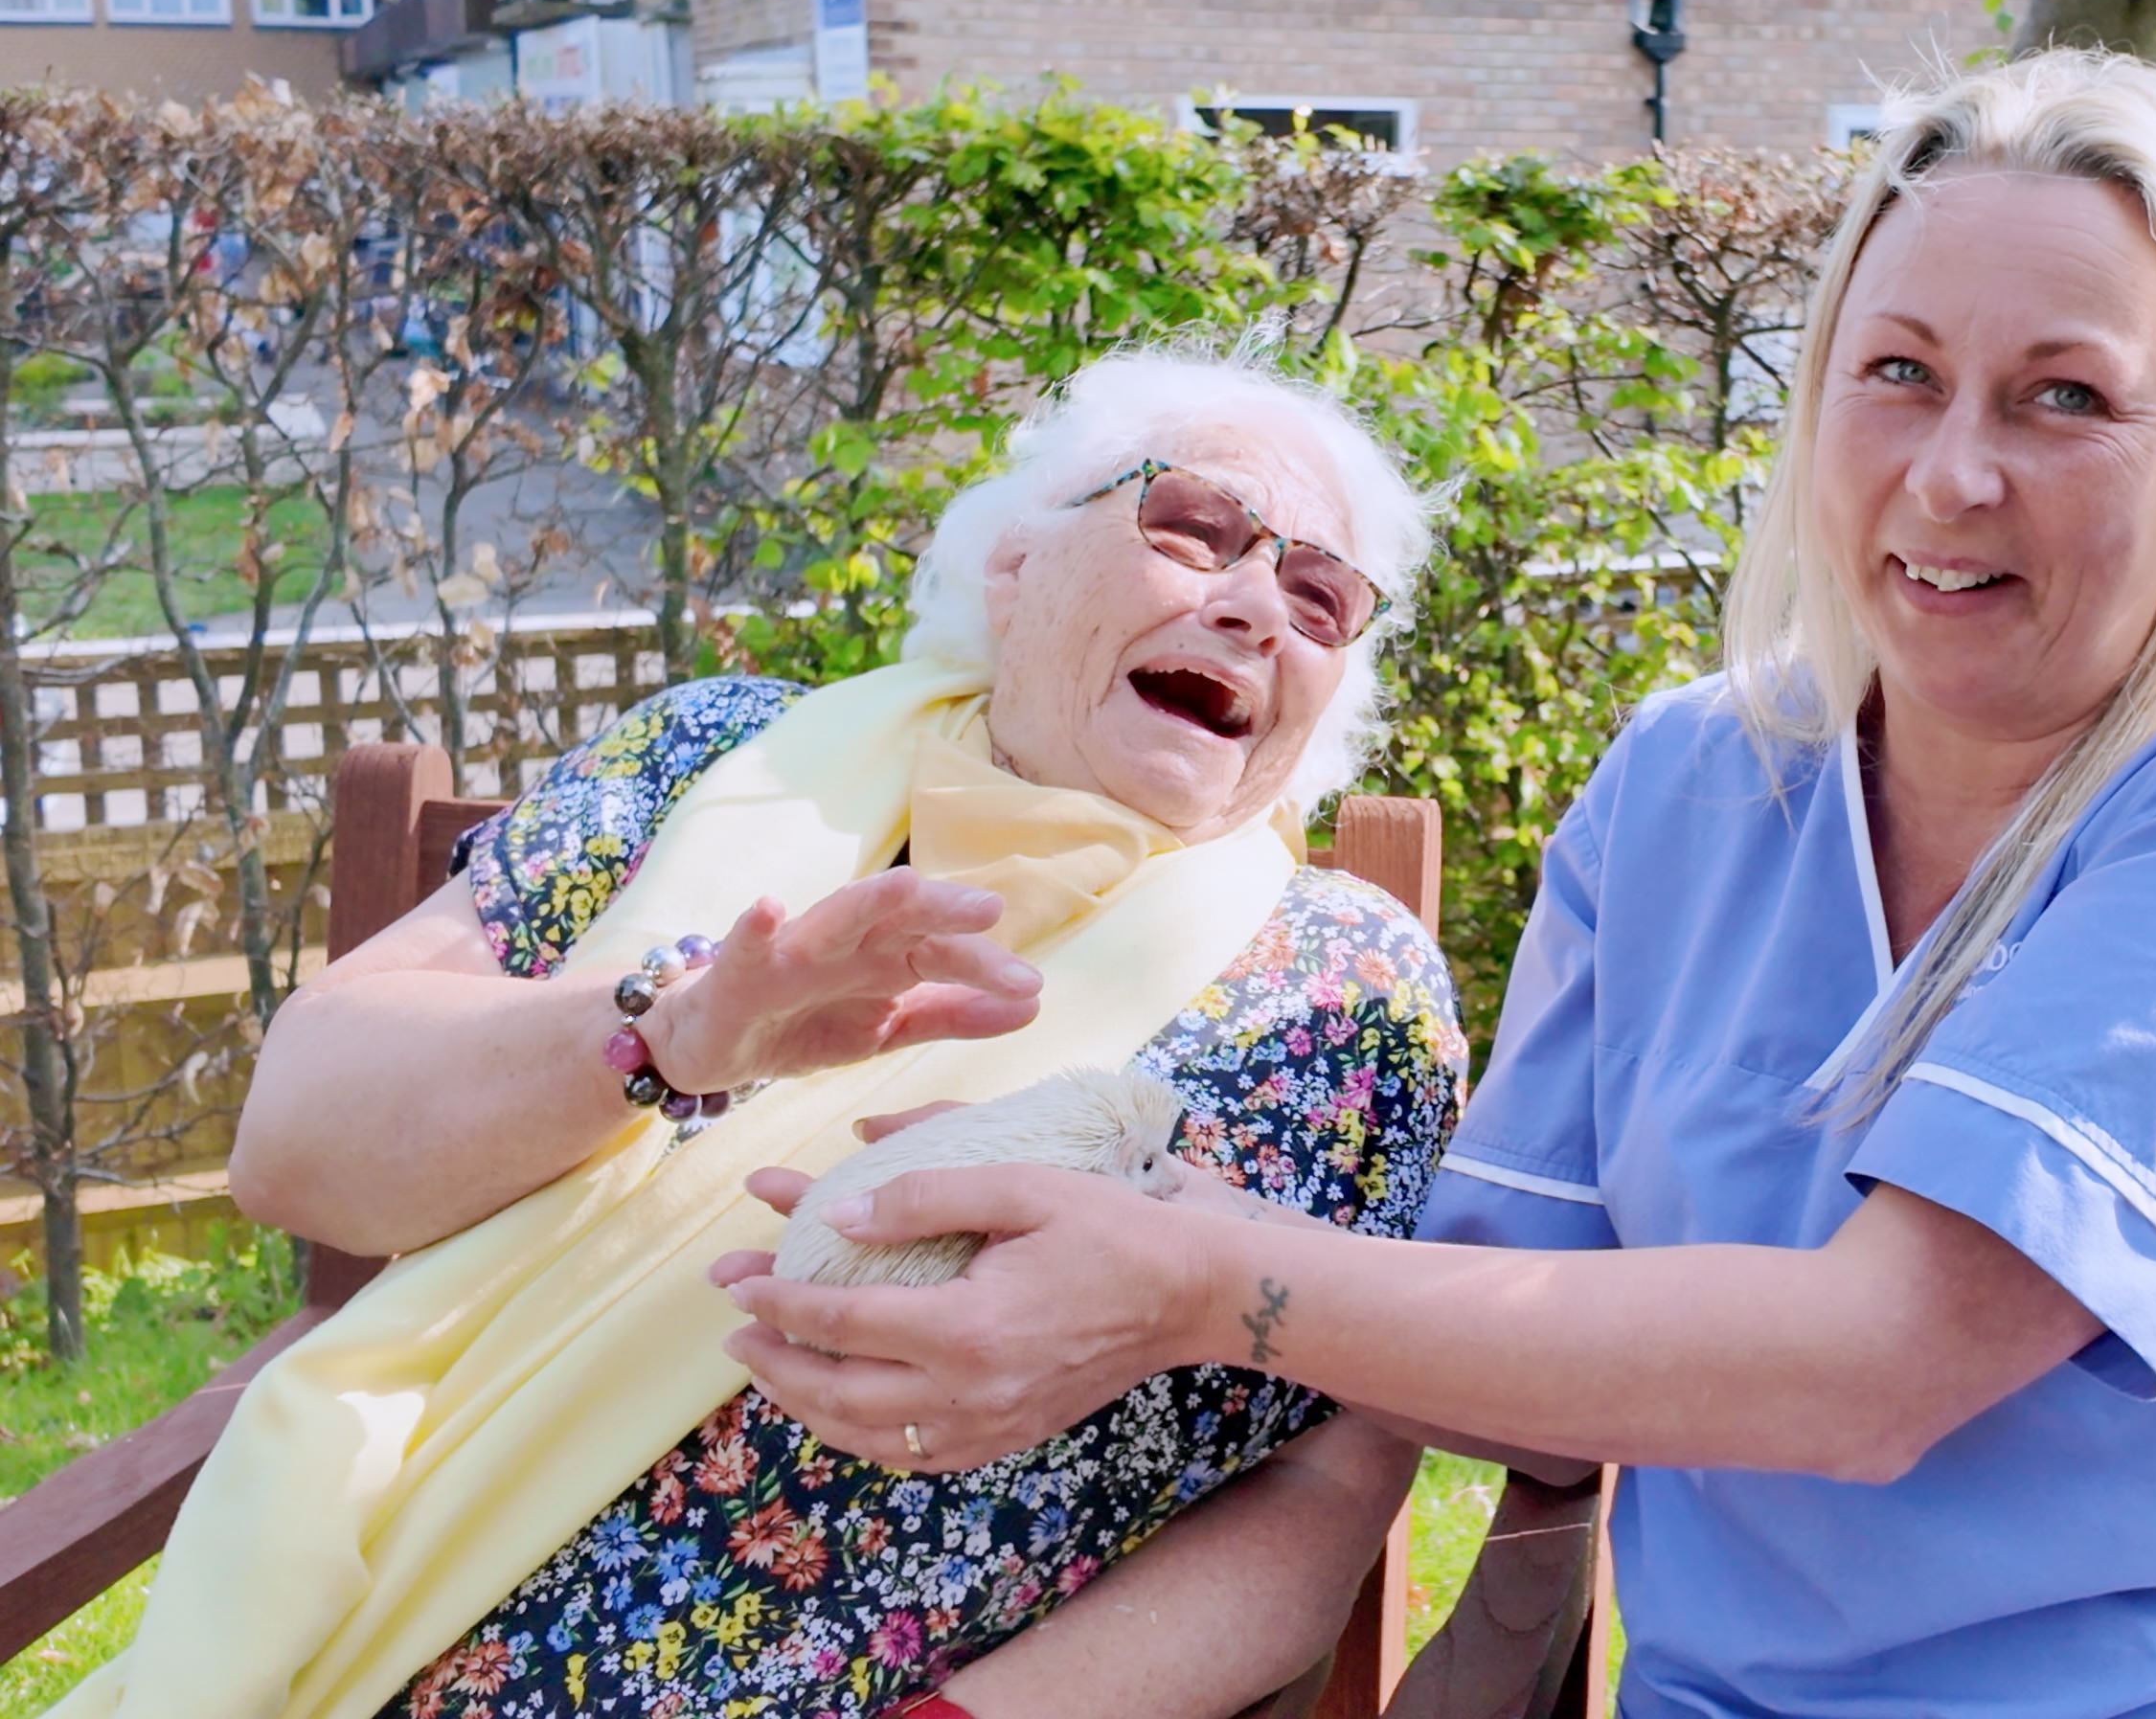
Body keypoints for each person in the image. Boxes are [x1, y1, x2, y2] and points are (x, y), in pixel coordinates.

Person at [722, 50, 2156, 1716]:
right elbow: (1487, 1334)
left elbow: (1878, 1365)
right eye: (1894, 373)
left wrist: (1194, 1285)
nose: (1956, 472)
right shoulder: (1697, 780)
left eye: (2069, 398)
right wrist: (1120, 1187)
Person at [66, 351, 1465, 1719]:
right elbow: (297, 1149)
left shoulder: (1341, 993)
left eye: (1321, 597)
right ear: (1016, 564)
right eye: (1197, 529)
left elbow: (1334, 1486)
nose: (1256, 610)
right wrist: (674, 1033)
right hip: (373, 1612)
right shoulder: (711, 761)